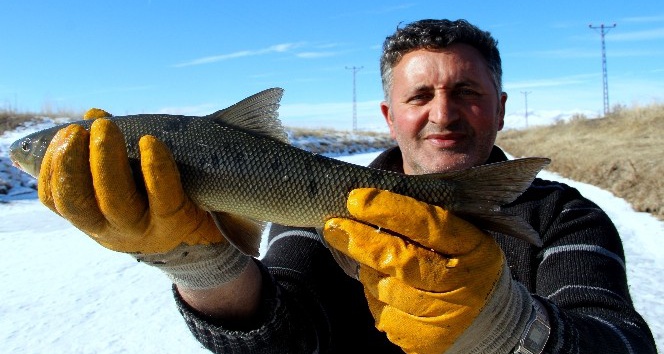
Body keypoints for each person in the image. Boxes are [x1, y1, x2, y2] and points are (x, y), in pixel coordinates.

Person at [37, 19, 656, 353]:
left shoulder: (565, 217)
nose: (443, 114)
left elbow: (621, 343)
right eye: (419, 96)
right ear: (389, 116)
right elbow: (282, 333)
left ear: (500, 108)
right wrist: (197, 264)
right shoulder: (309, 205)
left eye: (466, 93)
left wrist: (509, 329)